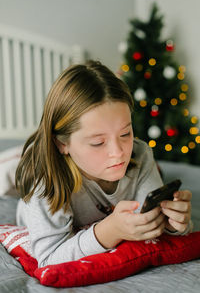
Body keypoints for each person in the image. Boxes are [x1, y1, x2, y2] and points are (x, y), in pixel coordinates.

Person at [16, 60, 192, 268]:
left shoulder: (140, 153)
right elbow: (48, 259)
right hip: (33, 198)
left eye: (125, 133)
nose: (118, 152)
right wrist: (109, 232)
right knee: (16, 170)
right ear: (62, 143)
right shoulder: (45, 181)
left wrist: (176, 223)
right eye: (98, 142)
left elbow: (151, 222)